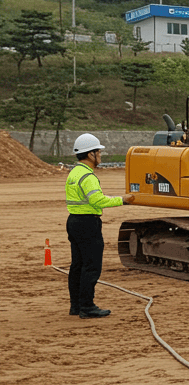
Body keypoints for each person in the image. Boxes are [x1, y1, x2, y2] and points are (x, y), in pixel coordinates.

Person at [65, 133, 134, 318]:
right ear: (90, 154)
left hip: (74, 221)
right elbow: (98, 200)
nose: (101, 155)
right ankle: (87, 307)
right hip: (88, 223)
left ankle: (76, 306)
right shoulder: (88, 176)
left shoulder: (74, 173)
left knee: (77, 265)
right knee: (91, 266)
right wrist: (123, 200)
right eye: (99, 152)